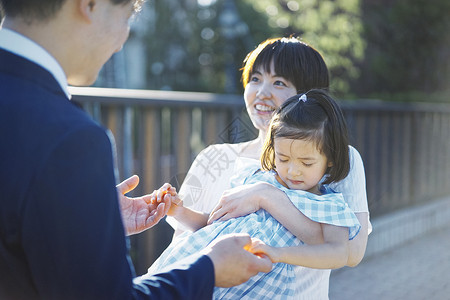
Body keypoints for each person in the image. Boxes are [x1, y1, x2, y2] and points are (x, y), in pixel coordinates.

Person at [0, 0, 271, 299]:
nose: (121, 41)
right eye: (127, 16)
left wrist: (90, 219)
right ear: (90, 5)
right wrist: (208, 268)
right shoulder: (69, 137)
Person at [166, 37, 371, 298]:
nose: (261, 92)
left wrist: (265, 195)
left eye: (279, 82)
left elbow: (351, 253)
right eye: (255, 79)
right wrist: (173, 208)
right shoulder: (213, 157)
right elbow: (186, 241)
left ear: (308, 96)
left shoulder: (337, 159)